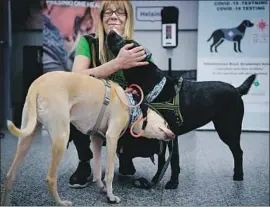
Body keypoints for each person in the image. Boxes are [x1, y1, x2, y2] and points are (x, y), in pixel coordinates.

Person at [69, 0, 150, 188]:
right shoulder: (88, 42)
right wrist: (116, 64)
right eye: (108, 12)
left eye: (120, 12)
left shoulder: (137, 49)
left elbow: (149, 87)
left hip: (123, 113)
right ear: (101, 18)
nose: (114, 16)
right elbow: (75, 77)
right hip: (92, 110)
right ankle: (84, 163)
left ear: (128, 19)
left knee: (144, 110)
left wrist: (137, 92)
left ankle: (125, 156)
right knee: (73, 103)